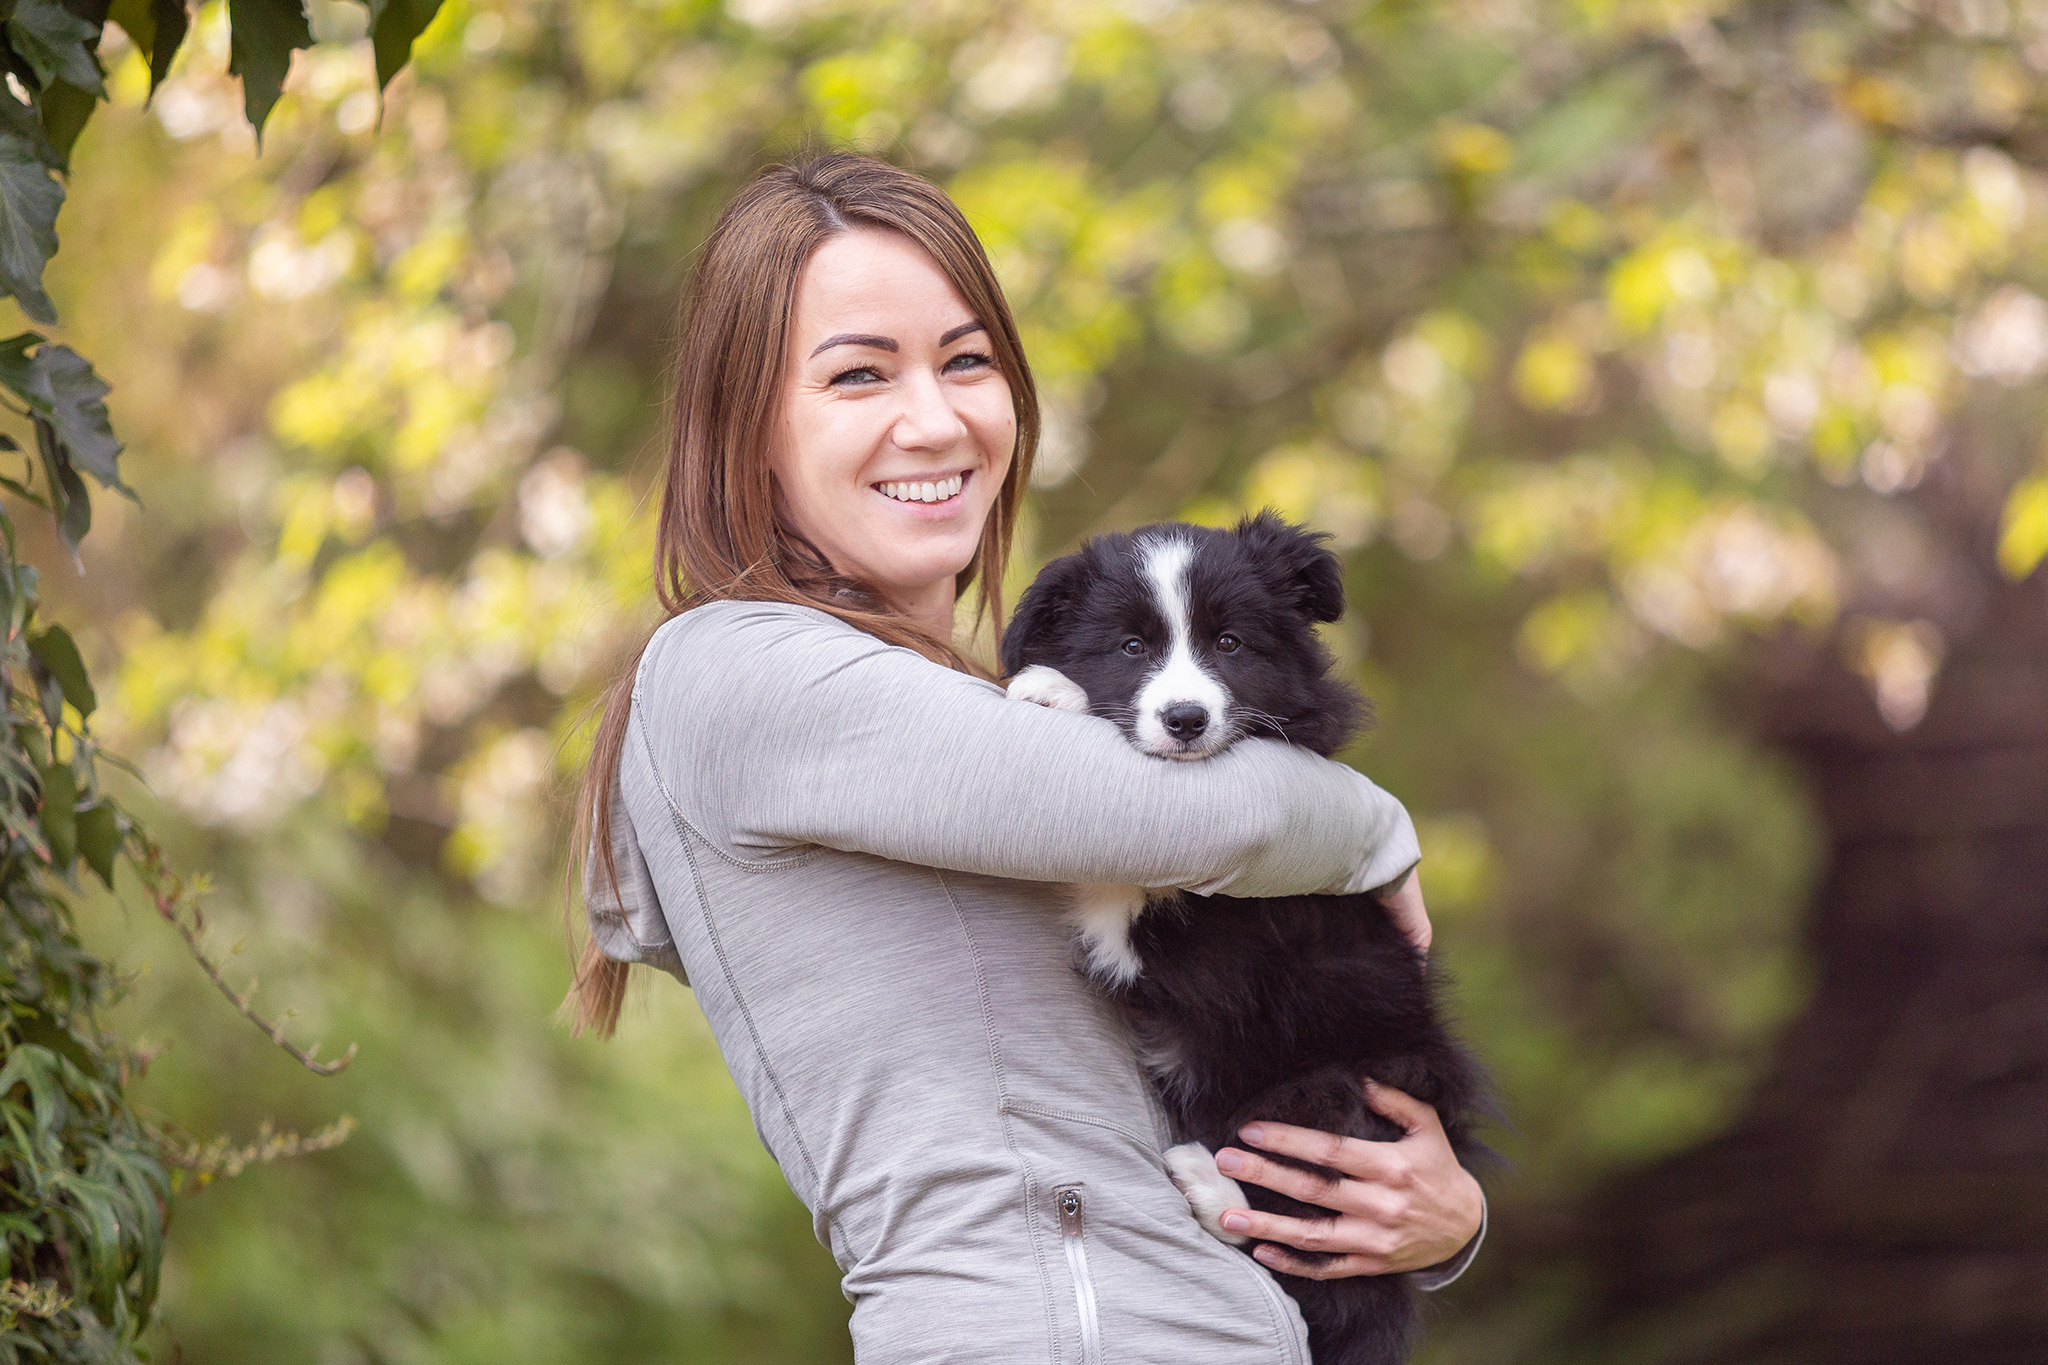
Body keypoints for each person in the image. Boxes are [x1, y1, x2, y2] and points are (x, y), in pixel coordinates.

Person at [569, 151, 1485, 1363]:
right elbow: (1204, 822)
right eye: (857, 375)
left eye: (965, 360)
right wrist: (1373, 830)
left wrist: (1432, 1216)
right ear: (748, 428)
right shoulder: (736, 671)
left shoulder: (967, 711)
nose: (935, 418)